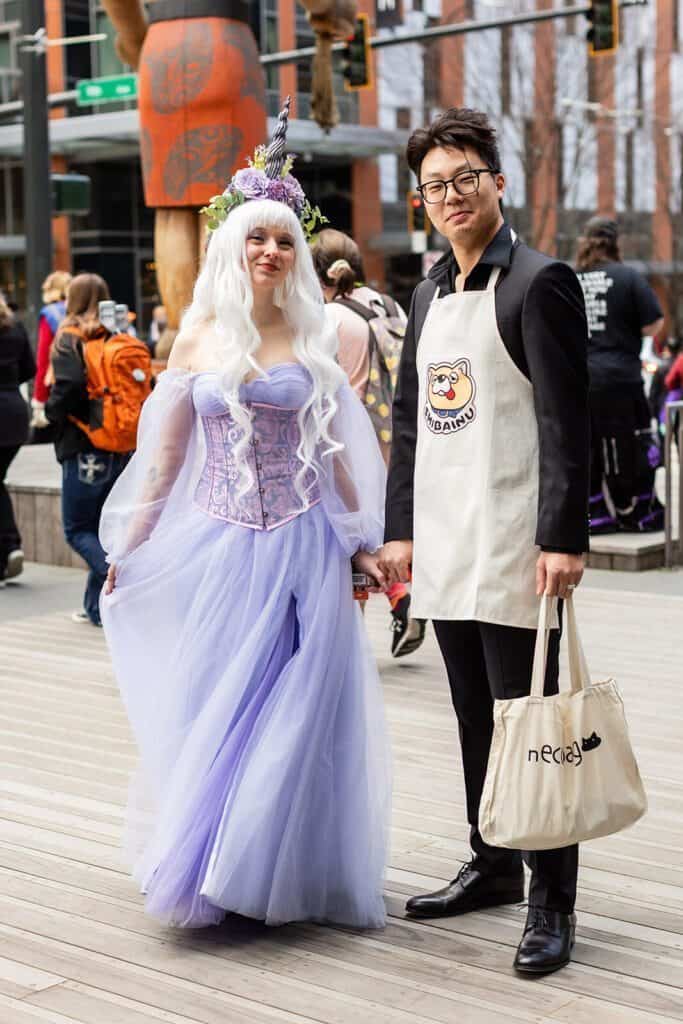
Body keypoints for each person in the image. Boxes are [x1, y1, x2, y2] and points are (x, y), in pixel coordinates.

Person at [98, 105, 391, 930]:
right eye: (257, 238)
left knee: (305, 708)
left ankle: (286, 871)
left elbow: (334, 453)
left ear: (299, 254)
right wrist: (130, 544)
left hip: (301, 546)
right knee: (226, 702)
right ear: (233, 249)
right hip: (224, 545)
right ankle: (219, 870)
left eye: (285, 240)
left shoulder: (316, 340)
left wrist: (359, 543)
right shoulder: (194, 344)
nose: (271, 251)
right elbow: (160, 462)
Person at [378, 107, 590, 975]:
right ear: (421, 199)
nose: (451, 195)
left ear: (496, 183)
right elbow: (406, 421)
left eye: (465, 177)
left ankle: (552, 899)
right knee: (472, 716)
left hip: (515, 542)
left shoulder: (538, 282)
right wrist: (397, 531)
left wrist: (562, 537)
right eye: (434, 185)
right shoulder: (425, 294)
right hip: (446, 537)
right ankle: (494, 861)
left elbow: (563, 418)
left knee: (530, 721)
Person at [312, 228, 425, 659]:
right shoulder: (388, 304)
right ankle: (402, 598)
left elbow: (338, 394)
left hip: (353, 445)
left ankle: (353, 643)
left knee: (350, 541)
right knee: (377, 538)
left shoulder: (332, 319)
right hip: (393, 441)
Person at [45, 274, 133, 626]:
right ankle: (94, 608)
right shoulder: (119, 332)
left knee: (77, 529)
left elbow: (68, 385)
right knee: (102, 528)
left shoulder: (70, 336)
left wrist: (51, 413)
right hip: (120, 443)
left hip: (84, 445)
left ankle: (122, 583)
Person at [575, 217, 665, 533]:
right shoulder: (628, 277)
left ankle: (595, 516)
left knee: (586, 449)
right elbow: (653, 324)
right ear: (615, 243)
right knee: (635, 445)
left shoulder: (571, 279)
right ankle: (638, 513)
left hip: (582, 381)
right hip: (622, 379)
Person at [0, 293, 36, 583]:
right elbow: (30, 369)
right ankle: (8, 549)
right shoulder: (15, 328)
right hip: (14, 414)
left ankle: (10, 545)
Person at [30, 270, 71, 439]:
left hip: (59, 384)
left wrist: (39, 400)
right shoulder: (82, 310)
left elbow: (43, 360)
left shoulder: (50, 314)